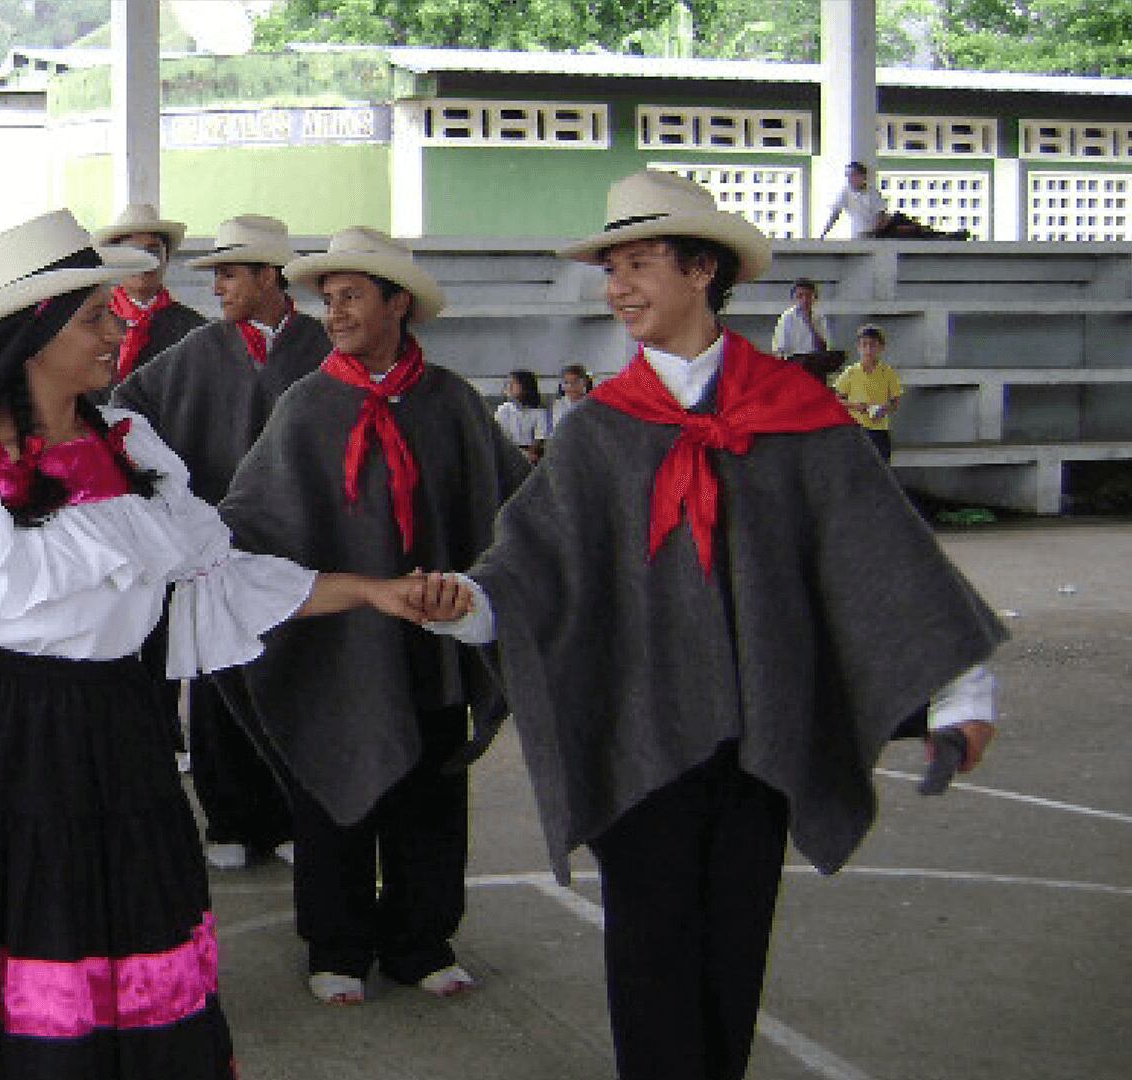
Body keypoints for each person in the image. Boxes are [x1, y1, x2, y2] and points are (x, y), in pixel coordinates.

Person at [0, 209, 452, 1080]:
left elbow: (224, 576)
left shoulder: (131, 449)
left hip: (120, 736)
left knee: (125, 953)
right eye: (93, 316)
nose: (117, 326)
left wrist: (373, 592)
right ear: (34, 335)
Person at [427, 170, 1004, 1080]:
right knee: (650, 954)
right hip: (640, 732)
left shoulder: (798, 414)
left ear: (702, 270)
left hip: (759, 735)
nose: (618, 287)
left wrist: (958, 692)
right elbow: (531, 560)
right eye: (612, 267)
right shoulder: (599, 430)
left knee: (734, 947)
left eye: (638, 263)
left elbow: (882, 558)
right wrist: (472, 604)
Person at [215, 227, 532, 1006]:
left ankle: (423, 940)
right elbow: (249, 521)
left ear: (400, 303)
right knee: (334, 790)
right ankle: (337, 943)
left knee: (430, 794)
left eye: (353, 296)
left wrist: (473, 588)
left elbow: (515, 507)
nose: (337, 313)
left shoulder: (453, 401)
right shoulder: (308, 405)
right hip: (339, 646)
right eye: (329, 300)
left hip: (434, 646)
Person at [111, 212, 329, 871]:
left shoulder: (324, 350)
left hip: (303, 550)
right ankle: (230, 817)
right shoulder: (195, 351)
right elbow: (124, 409)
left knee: (296, 680)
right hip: (216, 551)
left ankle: (292, 811)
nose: (219, 287)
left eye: (231, 274)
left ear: (270, 277)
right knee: (216, 683)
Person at [88, 201, 206, 401]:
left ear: (166, 258)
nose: (144, 261)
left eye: (153, 251)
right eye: (133, 252)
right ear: (117, 259)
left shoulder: (193, 331)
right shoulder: (90, 323)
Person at [820, 161, 969, 240]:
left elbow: (881, 216)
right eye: (848, 176)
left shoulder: (872, 192)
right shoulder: (845, 193)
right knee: (914, 232)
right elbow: (835, 214)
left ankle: (948, 236)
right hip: (874, 233)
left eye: (853, 175)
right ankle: (943, 237)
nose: (851, 179)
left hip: (885, 228)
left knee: (915, 229)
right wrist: (823, 234)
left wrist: (876, 232)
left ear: (862, 177)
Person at [834, 323, 903, 461]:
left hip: (879, 430)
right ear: (858, 347)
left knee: (881, 469)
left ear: (881, 348)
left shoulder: (887, 372)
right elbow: (837, 399)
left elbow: (895, 402)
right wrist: (856, 406)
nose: (868, 350)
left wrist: (883, 409)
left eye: (873, 345)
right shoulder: (851, 372)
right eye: (864, 345)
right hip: (857, 429)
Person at [494, 369, 551, 464]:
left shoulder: (539, 411)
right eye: (508, 383)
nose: (509, 386)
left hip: (533, 454)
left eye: (514, 383)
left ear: (526, 386)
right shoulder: (503, 410)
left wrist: (530, 453)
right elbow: (501, 437)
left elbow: (540, 437)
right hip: (509, 452)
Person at [552, 364, 592, 430]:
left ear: (584, 383)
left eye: (575, 382)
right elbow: (558, 429)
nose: (570, 386)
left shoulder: (593, 404)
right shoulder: (558, 405)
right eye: (566, 383)